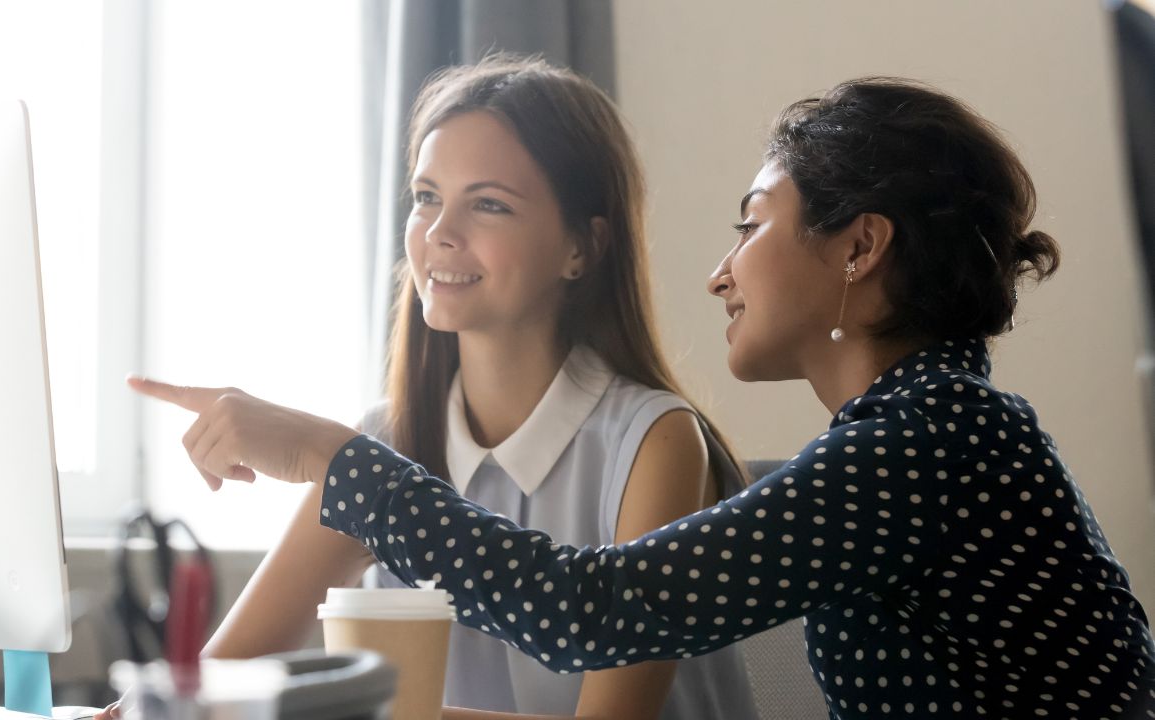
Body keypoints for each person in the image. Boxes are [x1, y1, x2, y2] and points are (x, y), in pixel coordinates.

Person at [131, 77, 1155, 719]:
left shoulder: (934, 442)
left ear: (859, 246)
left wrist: (327, 459)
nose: (722, 272)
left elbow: (598, 608)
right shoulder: (919, 435)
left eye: (753, 224)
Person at [114, 56, 760, 720]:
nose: (439, 234)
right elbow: (217, 681)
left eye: (488, 204)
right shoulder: (387, 442)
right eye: (426, 197)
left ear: (581, 247)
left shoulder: (655, 442)